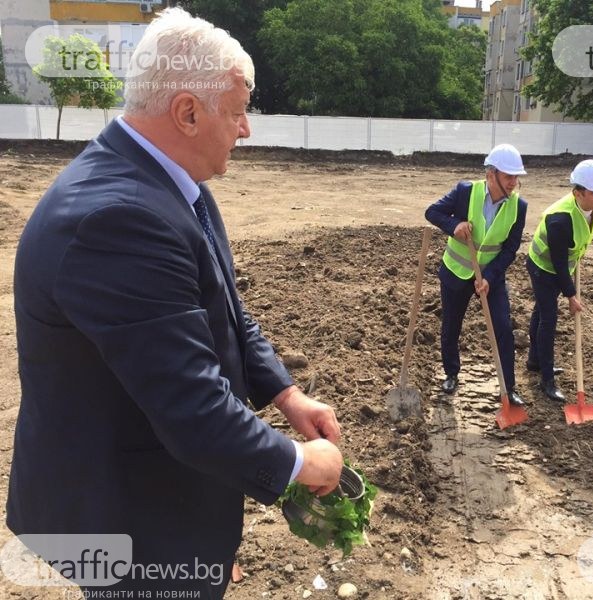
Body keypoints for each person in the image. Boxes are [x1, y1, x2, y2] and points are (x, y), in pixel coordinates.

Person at [7, 8, 342, 599]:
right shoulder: (121, 218)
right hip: (128, 523)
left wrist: (285, 393)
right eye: (237, 113)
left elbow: (226, 313)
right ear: (187, 112)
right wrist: (300, 463)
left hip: (157, 497)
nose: (246, 130)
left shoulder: (173, 187)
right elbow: (192, 409)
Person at [425, 144, 528, 407]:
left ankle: (508, 387)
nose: (514, 183)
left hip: (490, 278)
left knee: (503, 328)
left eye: (517, 177)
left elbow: (510, 249)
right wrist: (454, 225)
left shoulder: (519, 207)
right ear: (491, 174)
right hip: (456, 272)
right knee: (451, 325)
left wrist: (490, 277)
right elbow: (432, 212)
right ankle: (451, 373)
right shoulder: (465, 192)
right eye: (509, 177)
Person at [526, 159, 593, 402]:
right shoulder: (559, 219)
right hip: (543, 269)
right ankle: (546, 378)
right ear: (578, 193)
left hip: (561, 266)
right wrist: (571, 295)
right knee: (549, 319)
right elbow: (558, 263)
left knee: (541, 313)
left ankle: (534, 360)